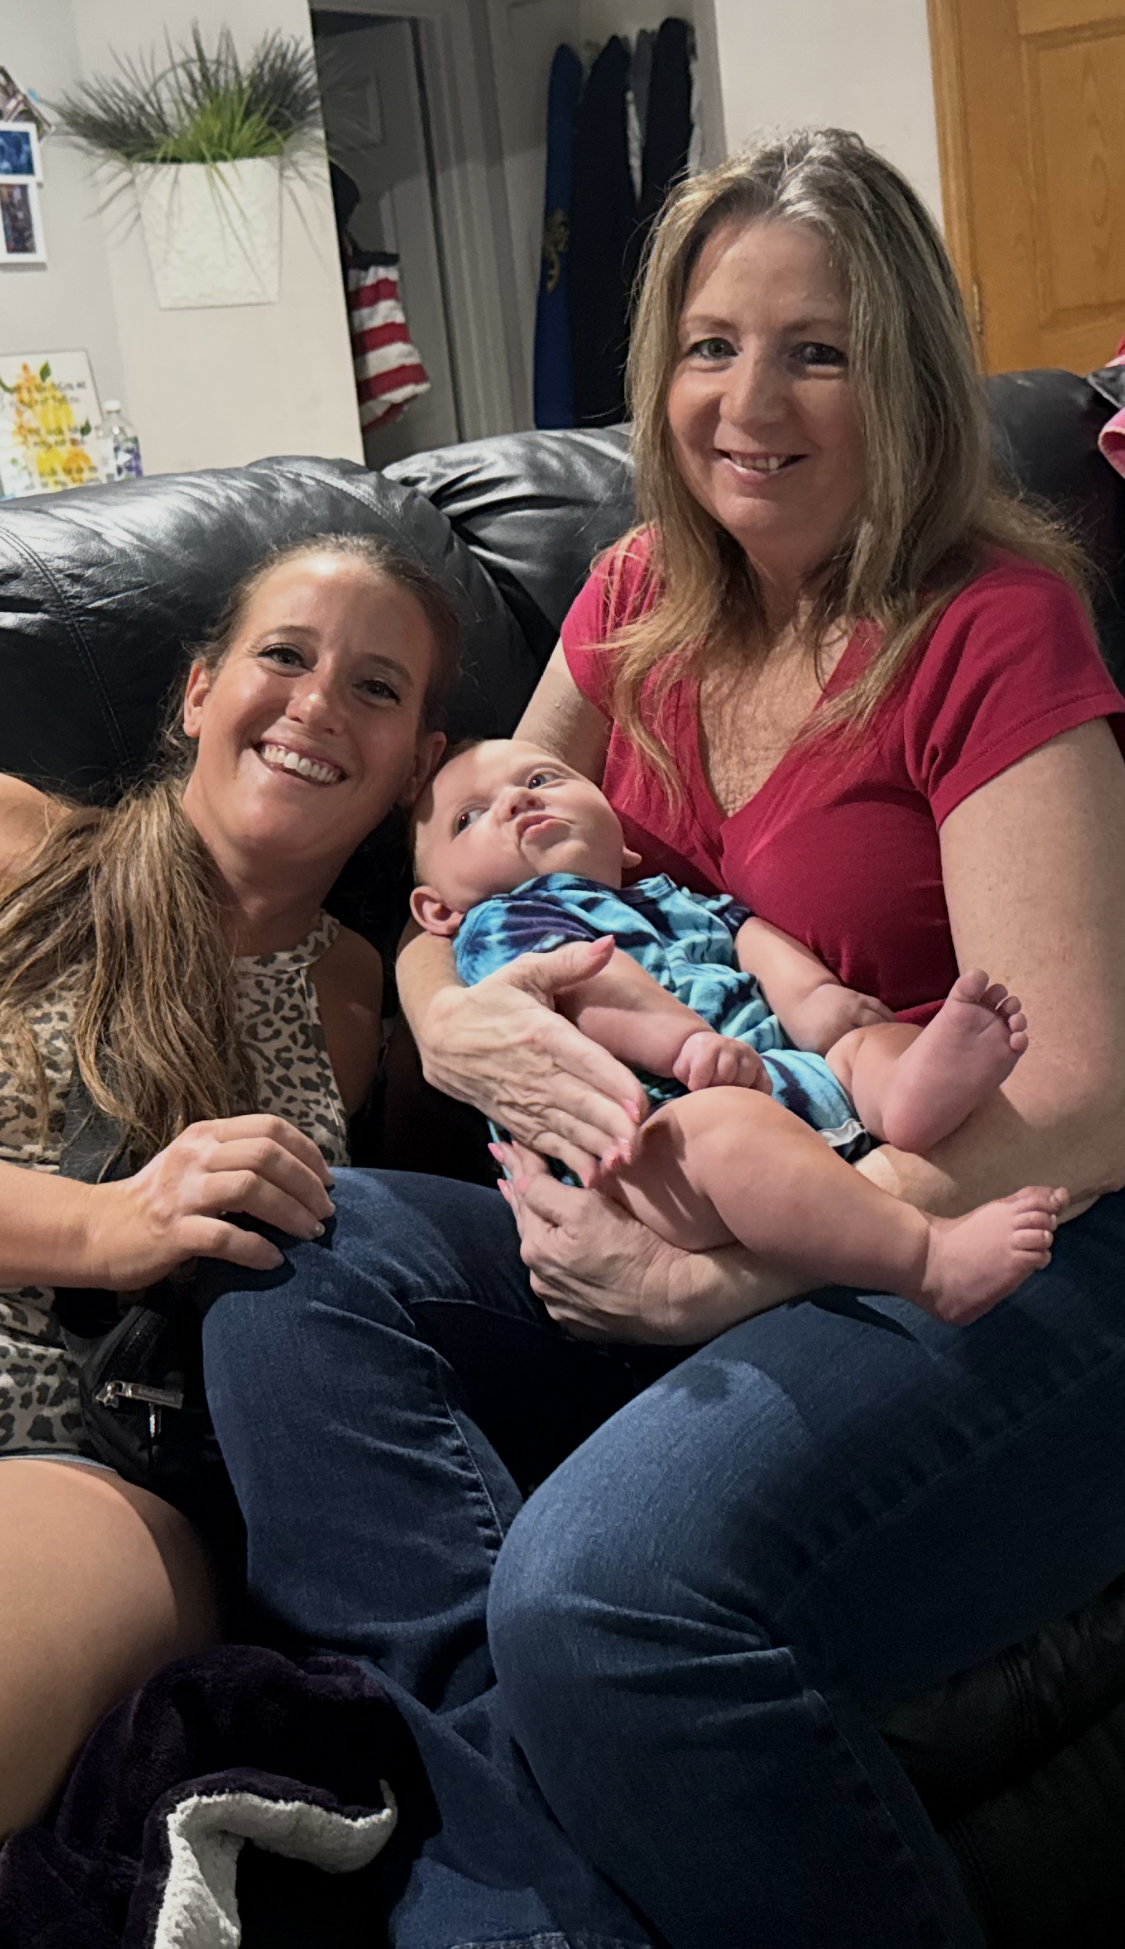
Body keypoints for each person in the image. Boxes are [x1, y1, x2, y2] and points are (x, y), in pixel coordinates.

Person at [16, 126, 1125, 1949]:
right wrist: (461, 1041)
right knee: (304, 1256)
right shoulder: (632, 605)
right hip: (665, 1178)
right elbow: (454, 893)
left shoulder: (990, 629)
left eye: (816, 349)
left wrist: (742, 1277)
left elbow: (1079, 1099)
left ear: (907, 373)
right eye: (708, 344)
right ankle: (530, 1906)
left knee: (600, 1595)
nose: (746, 401)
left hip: (969, 1241)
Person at [0, 531, 454, 1837]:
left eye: (376, 687)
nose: (317, 703)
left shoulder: (376, 1003)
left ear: (418, 764)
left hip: (100, 1466)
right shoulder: (28, 851)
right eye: (285, 656)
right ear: (199, 692)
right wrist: (103, 1220)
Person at [409, 734, 1063, 1322]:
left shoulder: (670, 898)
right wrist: (684, 1043)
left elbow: (750, 939)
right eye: (469, 819)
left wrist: (815, 999)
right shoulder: (496, 926)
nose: (518, 803)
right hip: (653, 1142)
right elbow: (583, 983)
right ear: (436, 909)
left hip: (777, 1074)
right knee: (725, 1131)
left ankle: (907, 1100)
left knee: (866, 1044)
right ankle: (925, 1258)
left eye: (542, 780)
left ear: (622, 839)